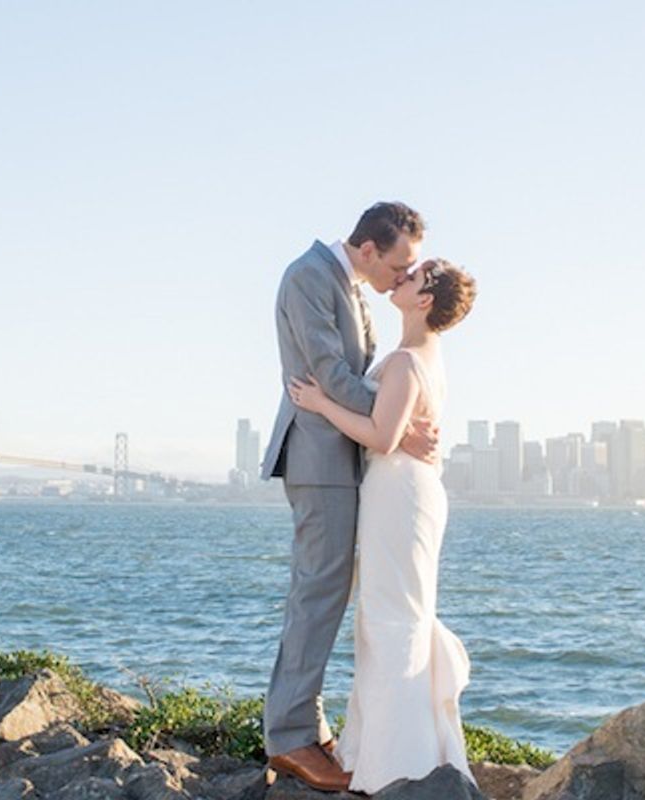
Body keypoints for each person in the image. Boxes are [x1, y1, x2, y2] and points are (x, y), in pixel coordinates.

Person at [260, 202, 440, 793]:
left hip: (345, 458)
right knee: (319, 591)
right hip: (318, 458)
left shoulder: (350, 284)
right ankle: (289, 737)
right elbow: (331, 374)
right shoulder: (308, 276)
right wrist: (397, 420)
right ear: (368, 249)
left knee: (329, 592)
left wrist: (394, 421)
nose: (401, 275)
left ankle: (304, 722)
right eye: (399, 263)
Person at [288, 257, 478, 794]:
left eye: (414, 276)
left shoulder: (404, 361)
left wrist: (322, 402)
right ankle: (400, 747)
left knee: (391, 620)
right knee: (399, 616)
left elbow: (381, 436)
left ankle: (396, 760)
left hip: (398, 496)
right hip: (410, 494)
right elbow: (398, 430)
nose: (403, 277)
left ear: (424, 300)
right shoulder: (424, 356)